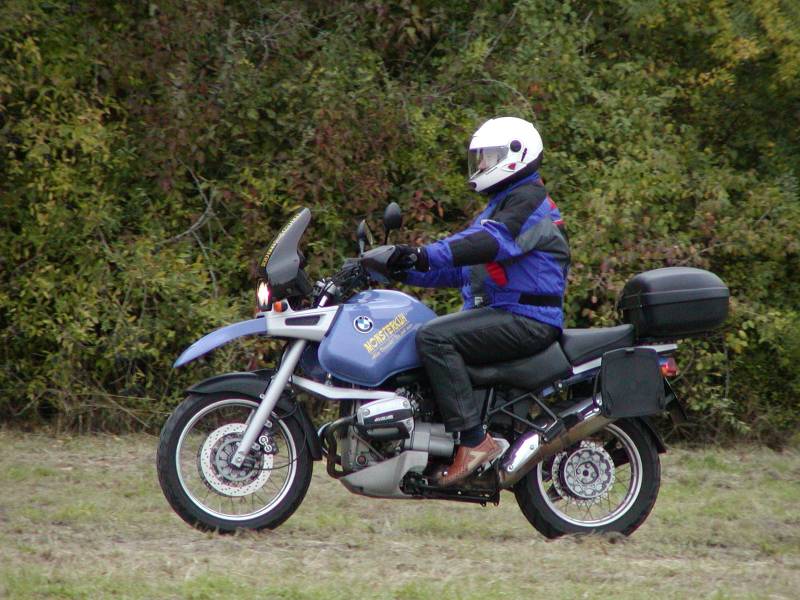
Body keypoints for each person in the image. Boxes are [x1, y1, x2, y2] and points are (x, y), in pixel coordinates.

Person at [388, 117, 570, 487]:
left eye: (488, 158)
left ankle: (474, 441)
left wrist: (422, 253)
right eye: (480, 158)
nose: (481, 167)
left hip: (526, 317)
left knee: (434, 338)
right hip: (503, 312)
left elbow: (489, 243)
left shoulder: (527, 203)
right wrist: (401, 268)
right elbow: (462, 271)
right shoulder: (502, 205)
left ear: (517, 155)